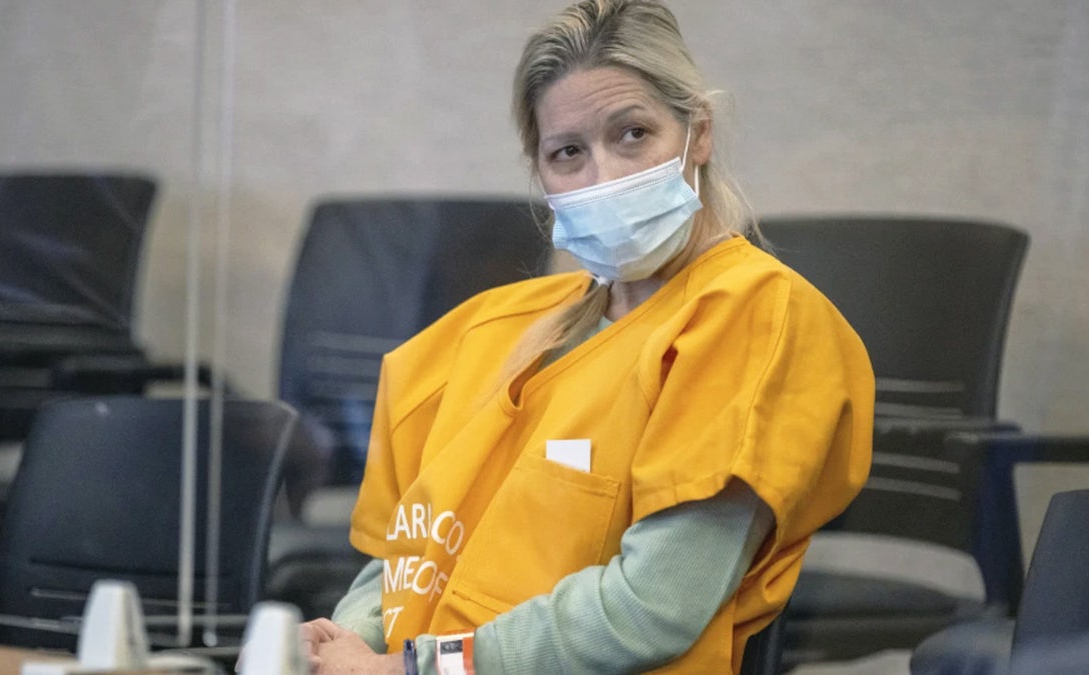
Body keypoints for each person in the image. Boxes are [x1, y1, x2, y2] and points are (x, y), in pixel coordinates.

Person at [301, 0, 874, 672]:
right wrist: (345, 642)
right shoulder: (489, 329)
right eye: (568, 152)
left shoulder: (753, 318)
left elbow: (653, 607)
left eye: (632, 134)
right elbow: (407, 556)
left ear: (699, 133)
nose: (604, 176)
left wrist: (414, 668)